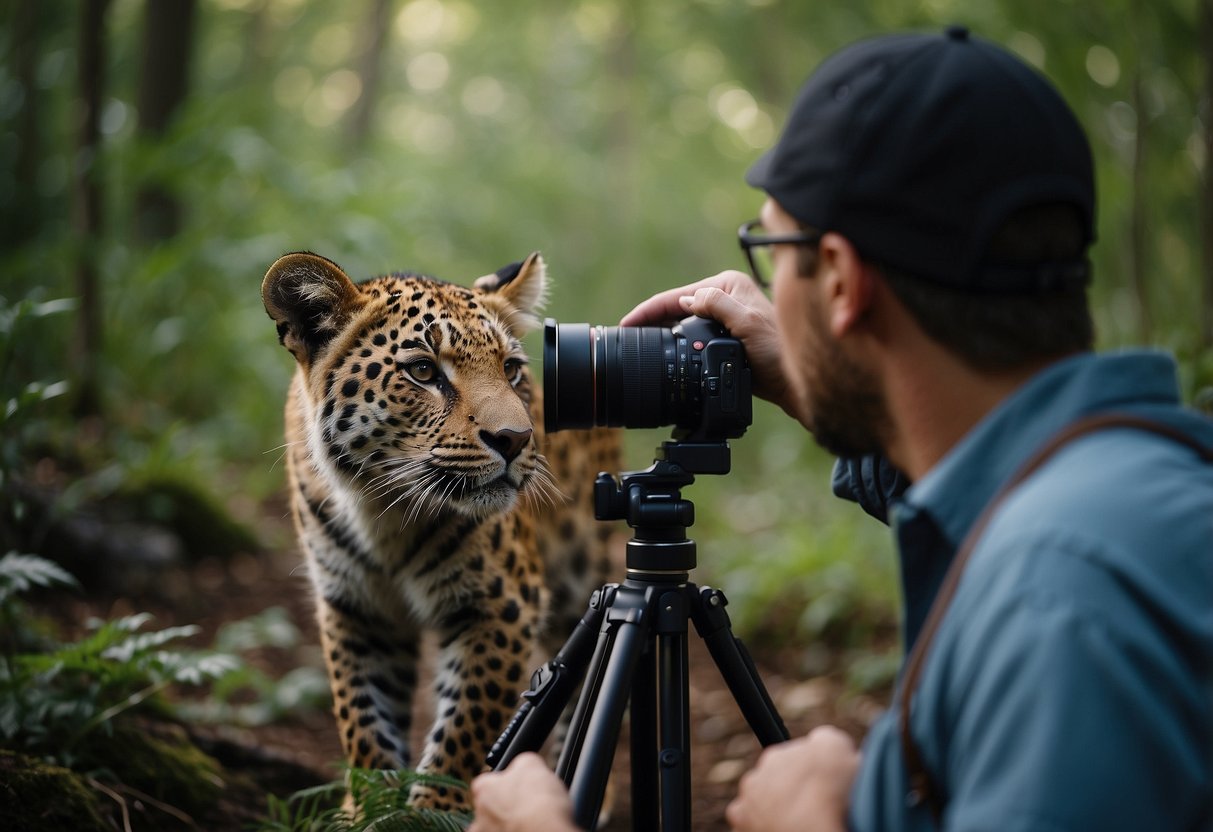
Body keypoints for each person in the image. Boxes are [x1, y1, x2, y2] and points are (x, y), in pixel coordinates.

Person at [469, 26, 1213, 832]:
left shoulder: (1057, 592)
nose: (757, 294)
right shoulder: (1131, 491)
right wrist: (811, 376)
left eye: (770, 252)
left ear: (843, 281)